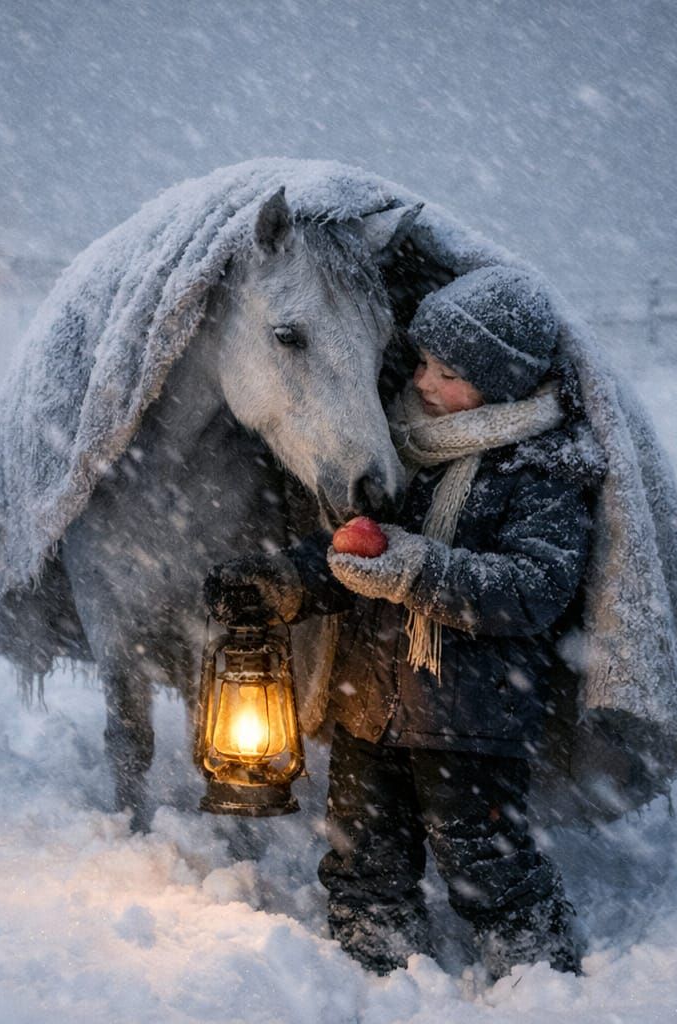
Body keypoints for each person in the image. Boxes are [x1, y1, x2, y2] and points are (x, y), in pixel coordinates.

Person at [204, 265, 604, 980]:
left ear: (501, 383)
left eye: (446, 372)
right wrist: (282, 583)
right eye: (422, 362)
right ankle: (375, 963)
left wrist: (423, 573)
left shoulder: (539, 473)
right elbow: (358, 554)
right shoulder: (411, 449)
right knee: (362, 851)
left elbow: (533, 588)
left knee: (482, 856)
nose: (422, 382)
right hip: (372, 707)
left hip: (473, 721)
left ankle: (536, 967)